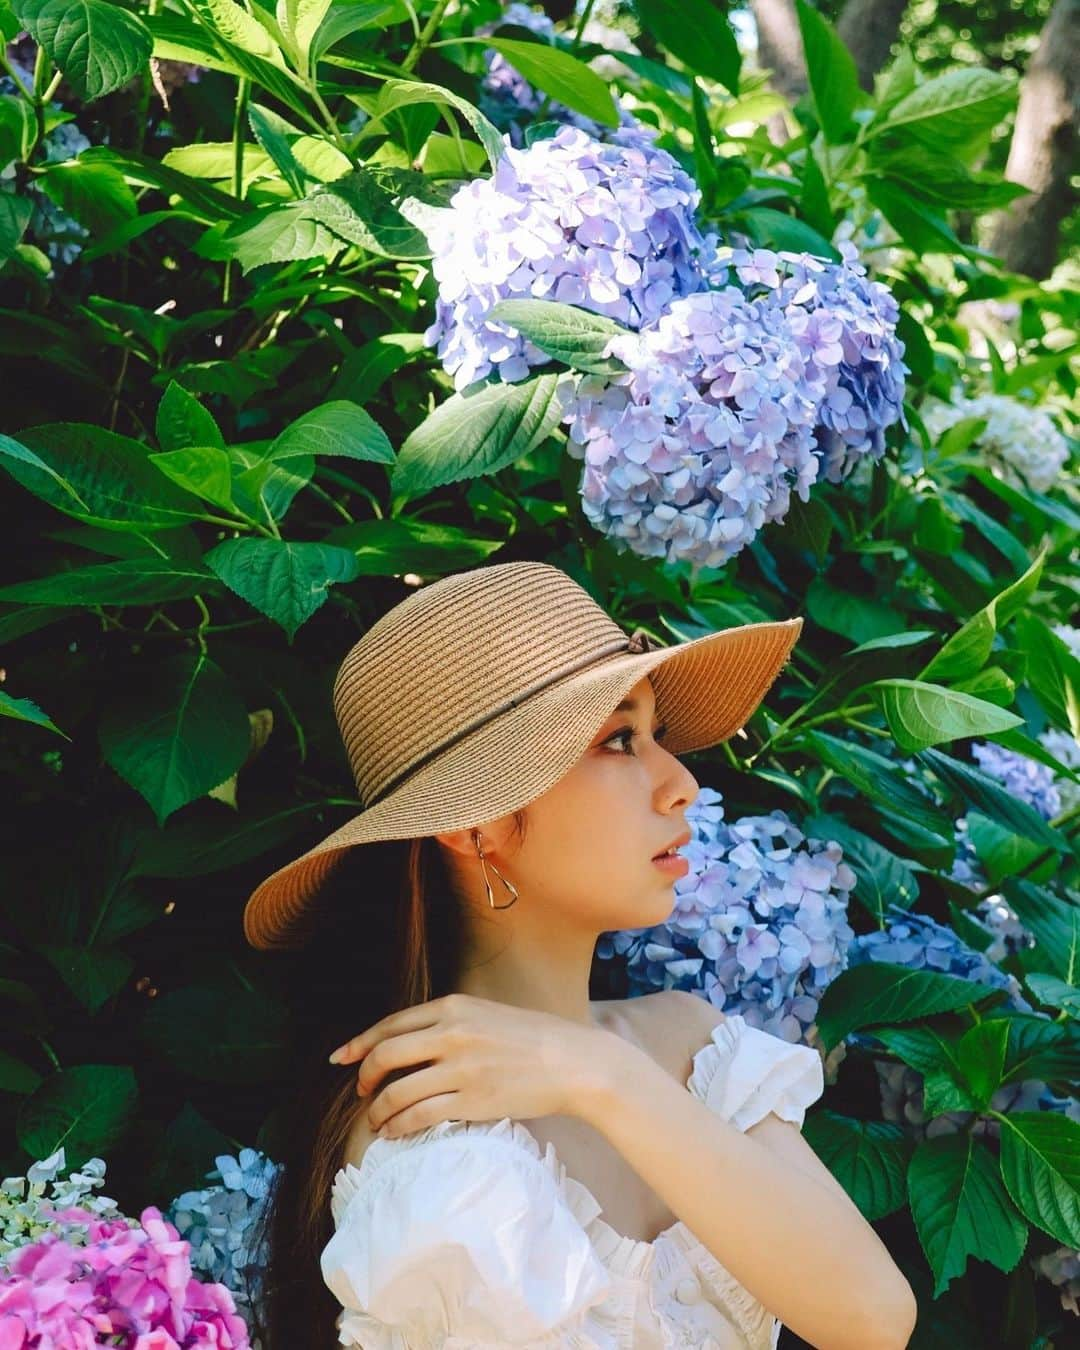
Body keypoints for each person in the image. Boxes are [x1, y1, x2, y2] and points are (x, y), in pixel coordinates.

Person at [243, 560, 918, 1350]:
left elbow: (874, 1319)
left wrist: (597, 1074)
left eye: (657, 736)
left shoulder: (687, 1042)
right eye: (619, 740)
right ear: (474, 827)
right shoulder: (435, 1141)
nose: (681, 785)